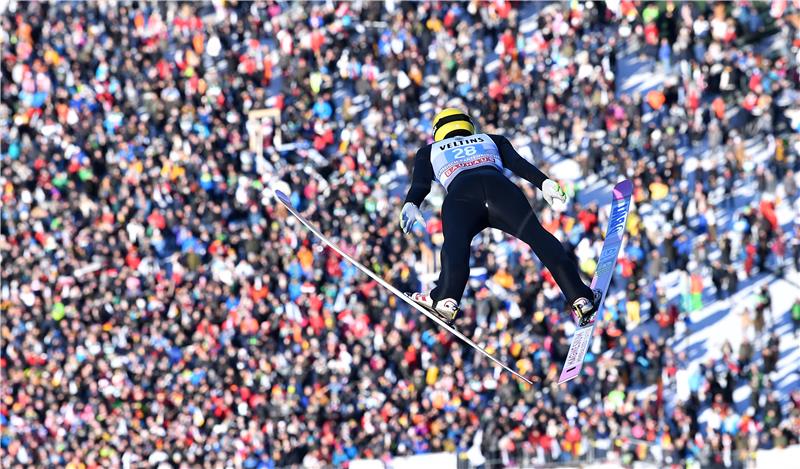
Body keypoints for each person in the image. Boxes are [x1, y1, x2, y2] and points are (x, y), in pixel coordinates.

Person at [399, 108, 600, 326]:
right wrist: (544, 182)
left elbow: (420, 184)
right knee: (539, 238)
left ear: (437, 131)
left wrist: (412, 203)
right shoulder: (491, 139)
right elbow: (518, 163)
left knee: (455, 246)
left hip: (460, 196)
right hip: (501, 190)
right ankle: (579, 297)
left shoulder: (429, 150)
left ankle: (447, 297)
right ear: (469, 125)